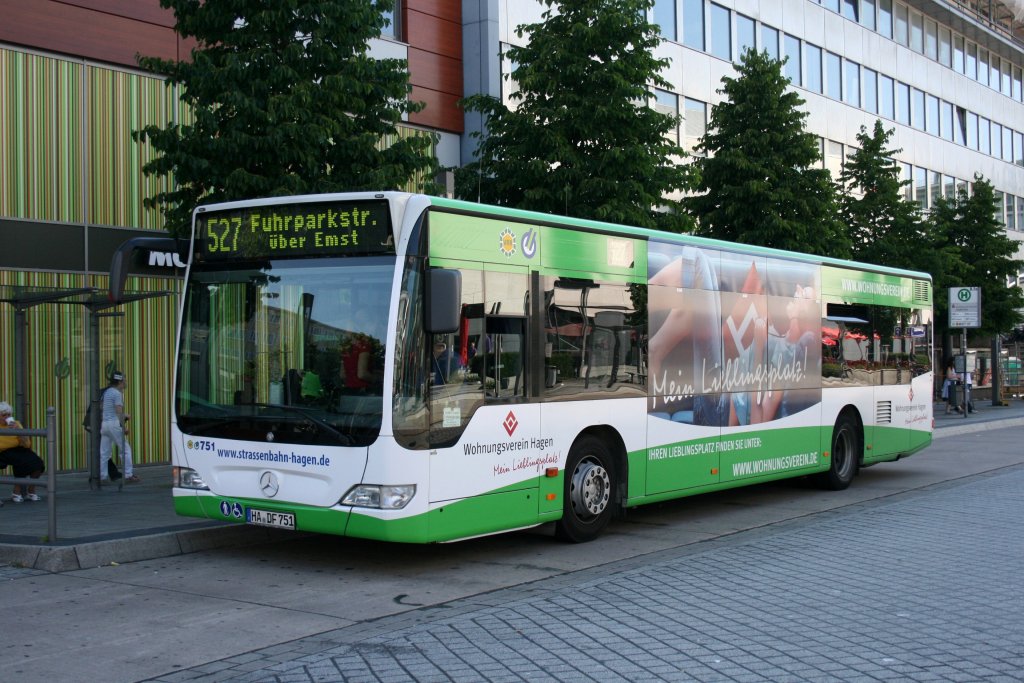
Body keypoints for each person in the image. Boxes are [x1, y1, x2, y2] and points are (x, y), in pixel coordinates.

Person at [0, 401, 45, 503]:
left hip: (18, 449)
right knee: (20, 461)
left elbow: (27, 444)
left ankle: (31, 490)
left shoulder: (16, 424)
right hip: (2, 452)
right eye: (4, 415)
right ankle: (16, 492)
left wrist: (18, 431)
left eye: (9, 415)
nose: (6, 417)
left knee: (38, 463)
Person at [100, 371, 140, 483]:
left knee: (104, 453)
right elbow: (118, 411)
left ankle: (102, 477)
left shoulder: (106, 392)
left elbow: (102, 407)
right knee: (126, 450)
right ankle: (128, 475)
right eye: (124, 380)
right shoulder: (117, 394)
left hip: (105, 424)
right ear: (120, 382)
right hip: (114, 424)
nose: (126, 382)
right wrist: (123, 426)